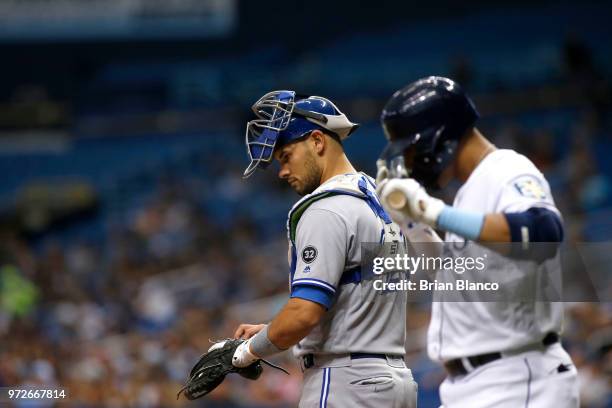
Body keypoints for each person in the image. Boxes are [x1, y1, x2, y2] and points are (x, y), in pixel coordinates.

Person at [376, 76, 579, 407]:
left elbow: (544, 231)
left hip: (517, 377)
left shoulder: (506, 168)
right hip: (479, 383)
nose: (410, 164)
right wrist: (412, 223)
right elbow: (452, 278)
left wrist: (433, 211)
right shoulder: (470, 192)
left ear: (438, 138)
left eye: (413, 151)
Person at [232, 90, 418, 407]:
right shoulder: (375, 196)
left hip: (346, 383)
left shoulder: (325, 209)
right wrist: (273, 331)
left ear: (317, 142)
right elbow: (348, 302)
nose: (282, 171)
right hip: (393, 379)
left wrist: (246, 353)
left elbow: (304, 314)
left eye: (286, 156)